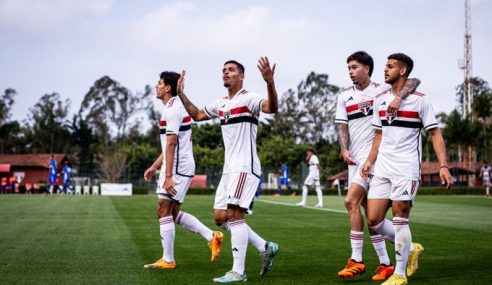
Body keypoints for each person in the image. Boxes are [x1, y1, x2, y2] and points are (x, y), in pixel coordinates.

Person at [177, 57, 279, 283]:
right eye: (223, 70)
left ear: (241, 76)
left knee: (234, 216)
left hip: (245, 166)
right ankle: (265, 246)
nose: (226, 73)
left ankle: (238, 272)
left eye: (231, 70)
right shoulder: (221, 103)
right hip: (229, 169)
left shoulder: (250, 98)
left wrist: (270, 83)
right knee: (220, 218)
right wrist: (181, 94)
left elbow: (272, 108)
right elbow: (197, 115)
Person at [361, 53, 453, 285]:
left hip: (406, 167)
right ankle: (412, 248)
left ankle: (399, 274)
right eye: (385, 66)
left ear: (403, 71)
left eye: (390, 66)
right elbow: (378, 135)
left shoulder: (421, 100)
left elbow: (435, 133)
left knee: (400, 218)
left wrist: (443, 165)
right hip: (382, 166)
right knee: (374, 220)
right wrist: (369, 161)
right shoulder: (380, 99)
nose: (385, 69)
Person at [335, 51, 420, 280]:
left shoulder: (381, 90)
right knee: (370, 215)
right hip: (356, 162)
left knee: (350, 201)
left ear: (367, 69)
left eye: (354, 67)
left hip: (374, 159)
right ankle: (393, 259)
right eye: (349, 68)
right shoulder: (344, 96)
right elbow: (342, 126)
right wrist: (344, 149)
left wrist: (399, 97)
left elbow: (413, 81)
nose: (350, 72)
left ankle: (357, 260)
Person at [143, 71, 224, 270]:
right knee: (173, 211)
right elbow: (171, 145)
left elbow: (171, 145)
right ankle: (211, 237)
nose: (156, 86)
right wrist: (155, 166)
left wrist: (168, 176)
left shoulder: (173, 110)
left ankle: (168, 260)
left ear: (168, 88)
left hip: (177, 168)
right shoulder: (174, 108)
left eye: (159, 83)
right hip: (181, 165)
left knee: (163, 210)